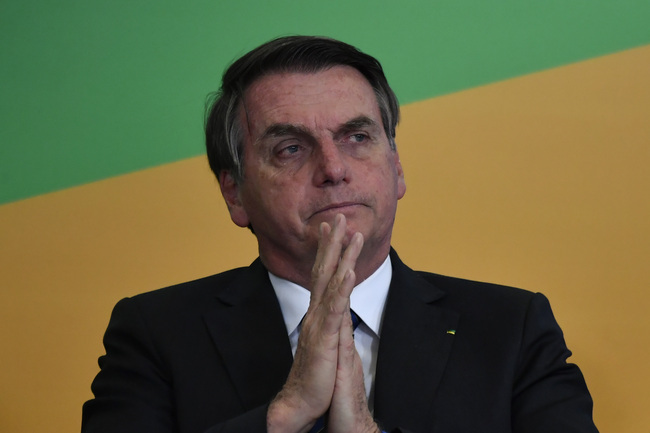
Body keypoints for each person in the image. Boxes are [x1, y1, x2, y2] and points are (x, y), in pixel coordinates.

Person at [81, 36, 599, 433]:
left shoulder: (512, 330)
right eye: (290, 148)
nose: (333, 169)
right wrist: (283, 417)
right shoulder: (155, 335)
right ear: (235, 193)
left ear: (396, 169)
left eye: (357, 137)